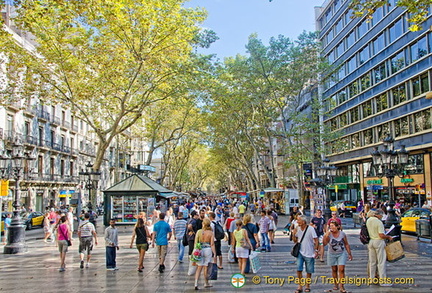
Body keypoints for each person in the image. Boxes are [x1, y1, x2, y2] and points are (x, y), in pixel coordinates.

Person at [323, 220, 353, 293]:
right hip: (331, 253)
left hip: (341, 253)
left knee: (341, 269)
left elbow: (346, 244)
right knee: (334, 269)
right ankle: (335, 284)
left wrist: (349, 254)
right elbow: (324, 244)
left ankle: (341, 286)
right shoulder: (329, 234)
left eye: (333, 226)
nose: (331, 228)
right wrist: (326, 235)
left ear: (337, 227)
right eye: (330, 226)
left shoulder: (342, 234)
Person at [366, 209, 394, 287]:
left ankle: (371, 279)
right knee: (381, 262)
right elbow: (381, 235)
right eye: (381, 215)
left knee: (372, 262)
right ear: (377, 215)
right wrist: (388, 237)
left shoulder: (369, 220)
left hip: (371, 241)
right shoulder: (378, 222)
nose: (382, 217)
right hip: (379, 241)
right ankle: (383, 281)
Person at [292, 215, 319, 293]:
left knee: (309, 270)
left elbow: (316, 240)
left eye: (299, 220)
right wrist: (293, 234)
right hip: (300, 252)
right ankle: (300, 286)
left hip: (309, 252)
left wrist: (316, 250)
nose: (297, 222)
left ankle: (307, 285)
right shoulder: (297, 228)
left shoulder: (311, 229)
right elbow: (295, 240)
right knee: (298, 269)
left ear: (303, 221)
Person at [194, 218, 216, 290]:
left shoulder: (199, 232)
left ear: (203, 224)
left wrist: (195, 251)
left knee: (199, 267)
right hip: (208, 250)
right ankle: (206, 283)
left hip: (199, 250)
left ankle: (196, 283)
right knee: (206, 266)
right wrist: (214, 253)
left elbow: (195, 242)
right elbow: (212, 244)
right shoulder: (211, 233)